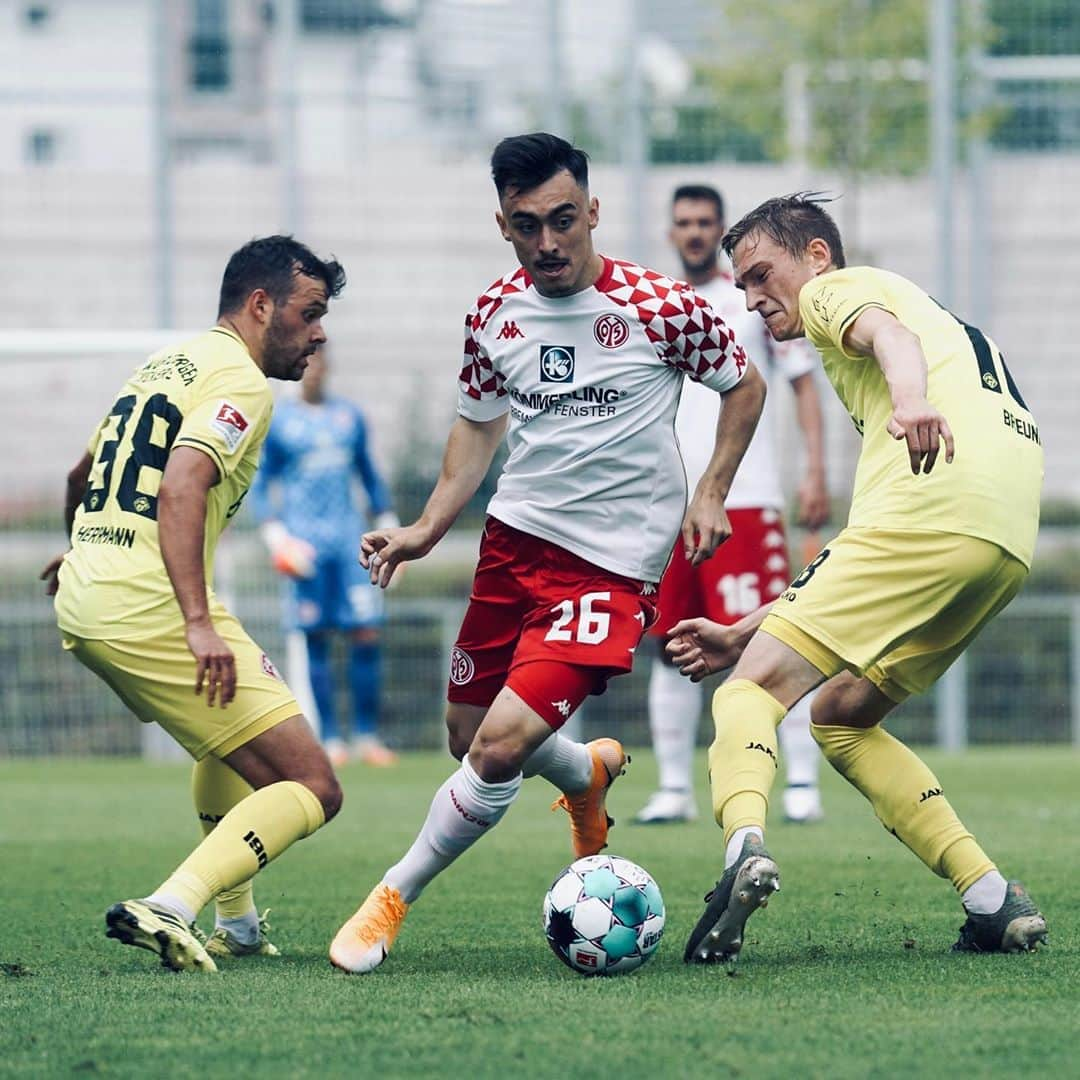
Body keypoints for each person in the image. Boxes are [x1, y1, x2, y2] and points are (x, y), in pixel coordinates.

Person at [328, 132, 766, 974]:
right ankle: (584, 777)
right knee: (466, 738)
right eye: (527, 225)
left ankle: (390, 899)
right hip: (512, 545)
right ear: (504, 224)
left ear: (593, 211)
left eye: (564, 220)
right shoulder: (494, 312)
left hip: (609, 569)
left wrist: (711, 489)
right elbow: (477, 425)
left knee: (496, 748)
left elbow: (742, 383)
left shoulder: (659, 305)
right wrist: (425, 527)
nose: (549, 243)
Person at [667, 194, 1048, 965]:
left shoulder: (841, 291)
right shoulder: (945, 325)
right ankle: (991, 899)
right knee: (841, 713)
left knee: (749, 691)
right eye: (740, 285)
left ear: (815, 257)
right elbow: (852, 565)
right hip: (1001, 540)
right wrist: (746, 627)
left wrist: (910, 400)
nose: (752, 296)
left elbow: (888, 336)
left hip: (933, 509)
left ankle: (743, 848)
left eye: (762, 273)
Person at [41, 236, 348, 972]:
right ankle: (171, 904)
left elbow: (82, 473)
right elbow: (182, 485)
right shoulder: (240, 381)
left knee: (226, 742)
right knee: (313, 783)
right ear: (260, 305)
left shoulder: (164, 364)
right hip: (151, 603)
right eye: (308, 315)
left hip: (94, 594)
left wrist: (89, 547)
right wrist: (199, 621)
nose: (319, 333)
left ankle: (236, 925)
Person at [635, 183, 830, 827]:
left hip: (746, 500)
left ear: (718, 230)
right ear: (671, 231)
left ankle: (800, 781)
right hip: (671, 508)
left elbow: (801, 384)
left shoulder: (751, 303)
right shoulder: (656, 307)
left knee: (771, 640)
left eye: (704, 223)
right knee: (670, 643)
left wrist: (814, 470)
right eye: (683, 222)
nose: (693, 232)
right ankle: (672, 789)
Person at [251, 345, 400, 768]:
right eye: (308, 361)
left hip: (351, 543)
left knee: (367, 632)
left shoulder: (348, 417)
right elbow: (262, 483)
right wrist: (277, 537)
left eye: (322, 362)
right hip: (306, 549)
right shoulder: (279, 421)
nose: (314, 370)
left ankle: (368, 736)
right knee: (315, 637)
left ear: (330, 367)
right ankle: (332, 738)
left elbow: (369, 475)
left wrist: (389, 522)